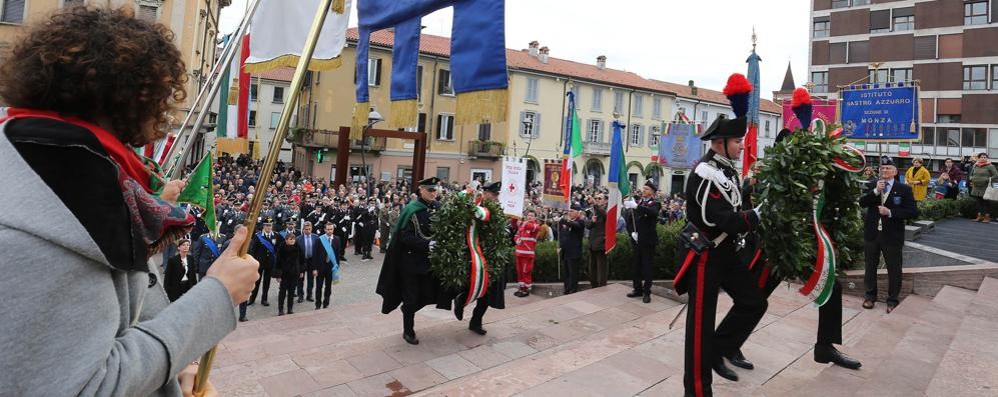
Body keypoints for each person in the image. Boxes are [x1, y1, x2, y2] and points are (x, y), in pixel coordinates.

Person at [0, 7, 259, 395]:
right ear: (138, 97)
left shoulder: (58, 165)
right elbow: (88, 385)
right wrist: (216, 295)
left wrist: (170, 373)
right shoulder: (39, 215)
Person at [731, 129, 862, 378]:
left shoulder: (813, 173)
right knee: (754, 298)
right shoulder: (770, 175)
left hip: (803, 245)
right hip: (775, 247)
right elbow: (755, 204)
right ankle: (731, 344)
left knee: (831, 287)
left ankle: (825, 346)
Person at [675, 74, 767, 397]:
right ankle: (698, 391)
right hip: (706, 255)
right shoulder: (705, 172)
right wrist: (753, 217)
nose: (742, 146)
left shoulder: (725, 170)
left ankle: (719, 349)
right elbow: (719, 218)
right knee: (699, 327)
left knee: (754, 302)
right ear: (719, 143)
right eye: (737, 142)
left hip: (726, 253)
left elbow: (736, 209)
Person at [376, 177, 446, 345]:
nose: (433, 193)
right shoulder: (411, 209)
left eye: (435, 190)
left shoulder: (438, 207)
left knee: (429, 294)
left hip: (431, 262)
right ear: (421, 190)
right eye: (430, 190)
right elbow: (404, 236)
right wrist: (427, 244)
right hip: (411, 263)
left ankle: (408, 309)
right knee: (411, 297)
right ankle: (408, 330)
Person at [860, 156, 918, 312]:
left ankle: (892, 300)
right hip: (872, 233)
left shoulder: (904, 189)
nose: (884, 170)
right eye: (882, 168)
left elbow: (913, 211)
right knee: (870, 266)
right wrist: (875, 191)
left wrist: (891, 212)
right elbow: (862, 202)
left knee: (894, 268)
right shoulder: (873, 184)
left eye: (888, 168)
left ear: (894, 171)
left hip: (892, 235)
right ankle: (870, 296)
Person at [624, 181, 661, 303]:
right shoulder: (639, 202)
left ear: (652, 192)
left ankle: (647, 292)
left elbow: (652, 213)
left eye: (647, 189)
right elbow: (630, 219)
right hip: (637, 239)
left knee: (647, 267)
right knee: (636, 266)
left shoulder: (655, 203)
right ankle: (637, 289)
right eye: (643, 188)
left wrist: (636, 206)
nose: (644, 190)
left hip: (648, 240)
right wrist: (631, 233)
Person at [248, 218, 279, 307]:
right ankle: (252, 298)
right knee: (256, 282)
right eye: (267, 225)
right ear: (263, 226)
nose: (269, 227)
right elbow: (253, 250)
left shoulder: (275, 235)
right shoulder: (258, 236)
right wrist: (253, 263)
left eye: (270, 225)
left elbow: (277, 250)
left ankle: (264, 299)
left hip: (270, 263)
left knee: (267, 282)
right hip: (259, 263)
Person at [558, 203, 586, 295]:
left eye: (572, 211)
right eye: (569, 211)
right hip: (566, 251)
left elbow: (575, 225)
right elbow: (563, 236)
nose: (570, 212)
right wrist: (560, 247)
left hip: (574, 252)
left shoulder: (580, 221)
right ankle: (566, 289)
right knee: (566, 272)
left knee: (573, 272)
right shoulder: (567, 222)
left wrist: (564, 220)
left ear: (578, 213)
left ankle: (573, 290)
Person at [514, 208, 541, 297]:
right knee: (520, 271)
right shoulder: (522, 224)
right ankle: (521, 288)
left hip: (528, 253)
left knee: (526, 271)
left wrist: (522, 222)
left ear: (535, 218)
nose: (530, 217)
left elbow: (530, 227)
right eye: (529, 215)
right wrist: (517, 240)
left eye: (532, 216)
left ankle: (526, 289)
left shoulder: (536, 226)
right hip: (519, 252)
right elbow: (517, 234)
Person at [585, 194, 609, 289]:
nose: (597, 200)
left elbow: (605, 215)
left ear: (606, 201)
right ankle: (594, 287)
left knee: (601, 269)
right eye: (596, 199)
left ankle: (601, 288)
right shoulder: (593, 211)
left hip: (601, 243)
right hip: (592, 243)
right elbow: (587, 225)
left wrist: (595, 204)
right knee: (592, 269)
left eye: (599, 198)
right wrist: (592, 222)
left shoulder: (607, 210)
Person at [275, 233, 302, 315]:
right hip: (284, 274)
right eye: (290, 239)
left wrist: (301, 271)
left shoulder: (297, 247)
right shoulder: (282, 248)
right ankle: (281, 309)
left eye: (293, 239)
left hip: (294, 273)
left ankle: (290, 308)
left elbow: (302, 260)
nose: (293, 240)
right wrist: (278, 275)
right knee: (282, 292)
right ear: (286, 240)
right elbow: (278, 262)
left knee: (291, 292)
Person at [315, 223, 340, 309]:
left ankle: (326, 303)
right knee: (319, 286)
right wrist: (315, 268)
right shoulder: (319, 240)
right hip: (320, 267)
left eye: (331, 229)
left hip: (331, 267)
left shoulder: (337, 239)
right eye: (328, 229)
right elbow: (315, 255)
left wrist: (337, 267)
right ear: (325, 230)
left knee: (328, 286)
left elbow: (337, 254)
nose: (330, 231)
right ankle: (318, 304)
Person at [969, 153, 998, 223]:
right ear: (979, 158)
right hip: (976, 186)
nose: (983, 158)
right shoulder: (975, 165)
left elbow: (996, 175)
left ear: (987, 158)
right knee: (979, 202)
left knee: (986, 202)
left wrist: (988, 179)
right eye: (982, 157)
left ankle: (987, 217)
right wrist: (972, 178)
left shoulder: (990, 166)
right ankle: (979, 216)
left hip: (985, 187)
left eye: (985, 157)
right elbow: (971, 174)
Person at [297, 222, 321, 303]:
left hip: (312, 261)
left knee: (311, 279)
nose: (308, 231)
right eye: (306, 229)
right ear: (303, 230)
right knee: (300, 279)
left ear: (311, 229)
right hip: (302, 261)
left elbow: (318, 252)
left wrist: (317, 266)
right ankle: (300, 295)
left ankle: (309, 295)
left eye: (309, 229)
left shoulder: (316, 237)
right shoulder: (298, 239)